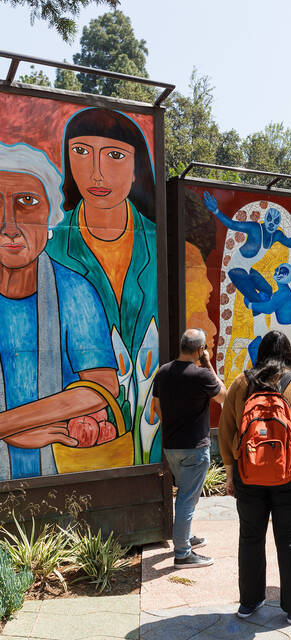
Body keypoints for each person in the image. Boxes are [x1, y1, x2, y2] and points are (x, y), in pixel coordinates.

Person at [0, 142, 119, 480]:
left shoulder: (76, 291)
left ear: (50, 217)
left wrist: (9, 425)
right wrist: (25, 427)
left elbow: (102, 385)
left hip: (58, 477)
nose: (9, 226)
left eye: (27, 203)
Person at [47, 107, 159, 463]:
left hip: (151, 430)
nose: (95, 172)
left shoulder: (158, 244)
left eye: (114, 156)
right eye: (81, 152)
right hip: (78, 434)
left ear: (137, 166)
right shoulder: (50, 248)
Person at [218, 330, 291, 625]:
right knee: (289, 538)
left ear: (260, 353)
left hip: (248, 472)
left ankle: (249, 602)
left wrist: (230, 472)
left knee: (250, 535)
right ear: (288, 352)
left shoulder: (241, 383)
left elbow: (226, 431)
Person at [151, 329, 226, 568]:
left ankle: (186, 536)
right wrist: (209, 365)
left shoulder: (162, 373)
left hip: (172, 446)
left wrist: (171, 426)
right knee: (186, 498)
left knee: (187, 495)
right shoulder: (202, 375)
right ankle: (182, 553)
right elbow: (223, 396)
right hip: (194, 447)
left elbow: (156, 407)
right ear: (199, 350)